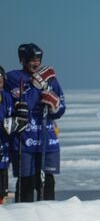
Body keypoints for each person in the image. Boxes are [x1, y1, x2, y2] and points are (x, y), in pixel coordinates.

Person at [7, 43, 65, 202]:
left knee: (48, 182)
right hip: (25, 141)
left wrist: (55, 105)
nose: (36, 63)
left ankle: (48, 219)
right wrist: (33, 87)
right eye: (32, 60)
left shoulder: (50, 79)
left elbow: (61, 108)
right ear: (23, 60)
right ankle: (24, 219)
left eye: (38, 59)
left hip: (47, 140)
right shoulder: (13, 78)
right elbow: (19, 104)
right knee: (27, 182)